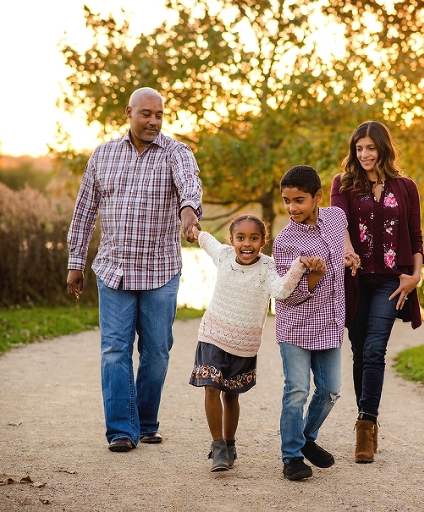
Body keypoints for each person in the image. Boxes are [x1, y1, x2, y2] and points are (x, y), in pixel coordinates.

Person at [66, 87, 203, 452]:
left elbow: (190, 184)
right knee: (115, 350)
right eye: (146, 114)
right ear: (129, 112)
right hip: (113, 269)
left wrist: (189, 212)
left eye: (159, 115)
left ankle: (144, 422)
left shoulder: (176, 152)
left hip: (160, 270)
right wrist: (75, 263)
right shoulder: (103, 156)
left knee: (157, 352)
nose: (154, 121)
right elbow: (83, 212)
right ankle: (121, 431)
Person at [187, 215, 315, 472]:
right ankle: (218, 447)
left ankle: (230, 444)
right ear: (232, 240)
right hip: (212, 334)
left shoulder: (268, 267)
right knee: (211, 388)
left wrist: (298, 266)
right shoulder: (223, 255)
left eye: (254, 238)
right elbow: (206, 240)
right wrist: (194, 230)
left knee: (231, 395)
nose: (247, 244)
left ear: (262, 242)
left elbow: (281, 291)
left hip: (243, 344)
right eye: (241, 238)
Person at [330, 120, 424, 463]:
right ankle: (365, 418)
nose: (365, 154)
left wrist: (415, 276)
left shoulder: (405, 186)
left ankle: (365, 428)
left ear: (383, 148)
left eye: (370, 147)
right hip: (353, 279)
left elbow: (415, 236)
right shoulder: (344, 184)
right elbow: (337, 224)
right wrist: (346, 250)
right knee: (358, 352)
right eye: (359, 148)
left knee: (374, 350)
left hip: (390, 280)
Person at [272, 164, 358, 481]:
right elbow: (284, 295)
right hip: (296, 327)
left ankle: (306, 438)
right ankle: (291, 456)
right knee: (297, 391)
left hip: (331, 323)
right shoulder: (285, 241)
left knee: (331, 391)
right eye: (286, 201)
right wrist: (314, 278)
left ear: (318, 197)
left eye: (299, 200)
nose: (292, 208)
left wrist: (349, 253)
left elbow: (344, 232)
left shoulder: (335, 217)